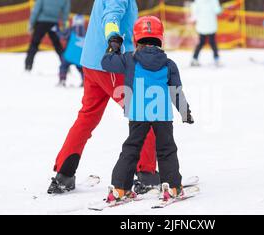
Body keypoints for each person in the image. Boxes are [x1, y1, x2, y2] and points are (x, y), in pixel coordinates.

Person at [47, 0, 158, 194]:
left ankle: (64, 174)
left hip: (91, 63)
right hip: (111, 65)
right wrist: (113, 38)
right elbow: (111, 17)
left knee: (87, 116)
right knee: (144, 112)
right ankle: (147, 174)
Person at [101, 16, 194, 202]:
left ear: (136, 38)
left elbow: (106, 63)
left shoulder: (129, 59)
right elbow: (176, 91)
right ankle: (173, 186)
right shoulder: (169, 64)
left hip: (138, 112)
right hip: (162, 113)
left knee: (131, 148)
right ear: (160, 38)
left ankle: (120, 188)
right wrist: (185, 112)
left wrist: (113, 47)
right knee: (166, 149)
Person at [25, 0, 70, 71]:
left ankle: (28, 65)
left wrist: (31, 24)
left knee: (34, 44)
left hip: (41, 23)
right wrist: (65, 26)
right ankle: (65, 66)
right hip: (54, 24)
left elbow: (36, 10)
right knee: (58, 46)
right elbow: (65, 13)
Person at [190, 0, 222, 67]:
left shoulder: (197, 1)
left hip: (201, 26)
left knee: (201, 43)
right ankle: (216, 59)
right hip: (211, 25)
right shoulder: (214, 1)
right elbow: (218, 11)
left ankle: (194, 59)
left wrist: (193, 19)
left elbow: (194, 11)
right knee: (212, 42)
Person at [57, 14, 86, 87]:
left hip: (69, 55)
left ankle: (62, 80)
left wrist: (57, 30)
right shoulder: (86, 32)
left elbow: (63, 36)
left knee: (63, 66)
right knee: (81, 69)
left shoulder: (71, 30)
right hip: (79, 57)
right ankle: (84, 81)